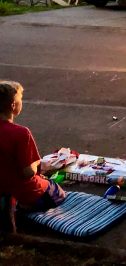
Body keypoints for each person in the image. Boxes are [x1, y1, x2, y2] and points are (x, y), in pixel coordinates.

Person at [0, 81, 66, 232]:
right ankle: (21, 206)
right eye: (20, 99)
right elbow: (28, 173)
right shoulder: (20, 133)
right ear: (13, 106)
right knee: (58, 193)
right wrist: (37, 164)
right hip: (22, 189)